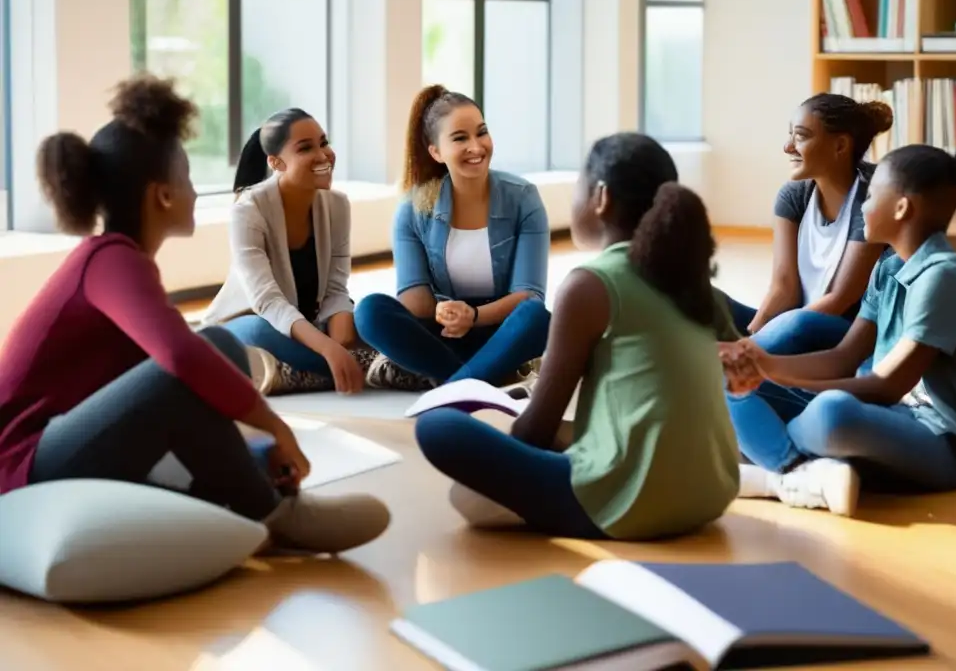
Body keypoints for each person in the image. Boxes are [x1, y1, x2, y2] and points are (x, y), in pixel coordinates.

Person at [0, 75, 389, 555]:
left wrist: (257, 451)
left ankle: (256, 495)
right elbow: (181, 360)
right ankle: (273, 516)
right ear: (163, 195)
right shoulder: (110, 262)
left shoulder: (120, 262)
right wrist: (274, 425)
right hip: (23, 464)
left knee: (217, 354)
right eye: (187, 179)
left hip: (68, 445)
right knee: (211, 348)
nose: (195, 191)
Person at [415, 132, 740, 540]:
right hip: (711, 493)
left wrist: (512, 466)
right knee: (561, 437)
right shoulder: (693, 283)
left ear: (600, 197)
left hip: (633, 504)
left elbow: (535, 428)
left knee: (439, 429)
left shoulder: (590, 285)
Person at [720, 146, 956, 517]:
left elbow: (887, 385)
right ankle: (795, 470)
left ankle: (779, 466)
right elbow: (843, 356)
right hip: (889, 417)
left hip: (951, 444)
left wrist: (772, 375)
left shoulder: (943, 276)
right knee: (730, 384)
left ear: (901, 208)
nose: (861, 207)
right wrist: (763, 369)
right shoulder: (888, 269)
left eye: (871, 197)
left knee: (832, 412)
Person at [204, 109, 426, 394]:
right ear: (276, 162)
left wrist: (342, 332)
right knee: (260, 332)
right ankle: (371, 367)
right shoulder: (248, 211)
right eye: (306, 148)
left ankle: (298, 374)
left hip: (310, 324)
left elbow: (335, 288)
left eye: (324, 142)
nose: (323, 155)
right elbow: (268, 302)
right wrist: (331, 350)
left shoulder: (337, 205)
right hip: (249, 322)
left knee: (371, 316)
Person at [354, 84, 551, 388]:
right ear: (436, 151)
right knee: (369, 311)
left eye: (481, 132)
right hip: (443, 333)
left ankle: (450, 386)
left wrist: (473, 315)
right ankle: (476, 380)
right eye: (460, 138)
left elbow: (529, 294)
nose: (476, 146)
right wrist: (448, 312)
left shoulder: (523, 198)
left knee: (536, 316)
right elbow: (414, 300)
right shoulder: (412, 209)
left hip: (502, 331)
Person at [722, 94, 893, 355]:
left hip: (849, 336)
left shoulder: (872, 201)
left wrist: (748, 349)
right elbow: (784, 287)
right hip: (796, 321)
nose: (788, 147)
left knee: (797, 322)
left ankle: (735, 368)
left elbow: (839, 300)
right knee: (711, 301)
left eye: (800, 136)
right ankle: (732, 364)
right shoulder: (794, 196)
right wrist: (750, 335)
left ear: (840, 146)